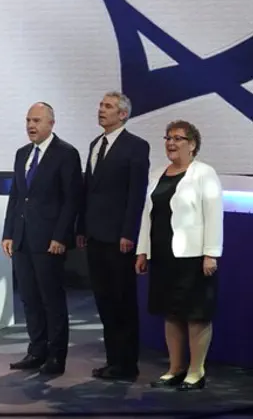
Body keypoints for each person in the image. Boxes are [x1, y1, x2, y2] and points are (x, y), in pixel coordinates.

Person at [135, 120, 222, 391]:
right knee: (170, 314)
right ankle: (175, 368)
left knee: (196, 315)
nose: (171, 143)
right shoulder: (159, 173)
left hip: (193, 257)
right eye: (168, 138)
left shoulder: (204, 173)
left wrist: (211, 253)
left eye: (178, 138)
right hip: (162, 256)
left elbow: (214, 215)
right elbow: (147, 216)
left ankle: (196, 372)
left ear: (192, 144)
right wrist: (142, 251)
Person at [2, 102, 82, 375]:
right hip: (23, 239)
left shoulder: (66, 154)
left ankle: (56, 356)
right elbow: (16, 197)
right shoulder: (22, 153)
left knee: (52, 299)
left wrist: (61, 236)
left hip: (49, 241)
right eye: (28, 120)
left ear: (51, 123)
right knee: (29, 299)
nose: (31, 126)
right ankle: (36, 351)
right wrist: (9, 233)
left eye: (36, 120)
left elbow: (71, 200)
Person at [76, 91, 150, 380]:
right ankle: (113, 361)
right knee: (104, 300)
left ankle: (127, 364)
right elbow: (88, 192)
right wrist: (81, 228)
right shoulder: (96, 144)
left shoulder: (136, 146)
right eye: (100, 105)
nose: (101, 110)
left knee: (123, 301)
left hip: (119, 238)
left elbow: (136, 193)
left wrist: (128, 232)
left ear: (123, 114)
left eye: (107, 106)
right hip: (95, 236)